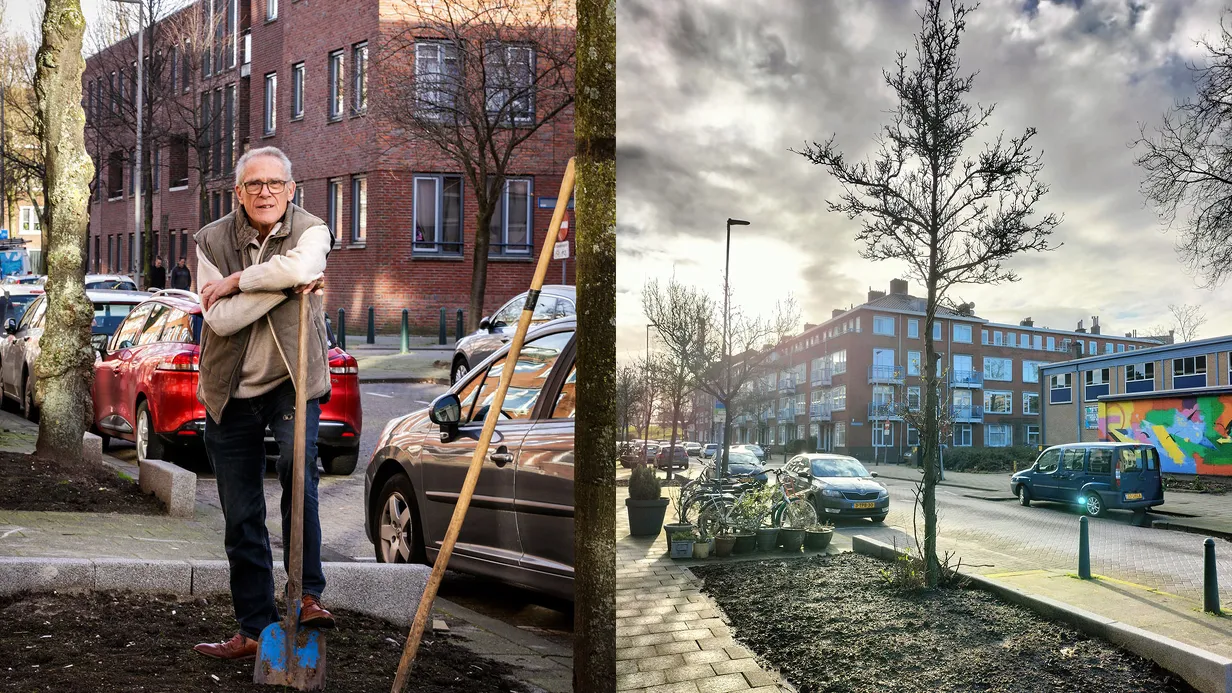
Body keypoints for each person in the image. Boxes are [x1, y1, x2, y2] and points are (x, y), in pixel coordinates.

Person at [191, 146, 335, 660]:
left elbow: (308, 261)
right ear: (238, 193)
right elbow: (220, 319)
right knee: (241, 514)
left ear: (291, 189)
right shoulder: (210, 240)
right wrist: (288, 284)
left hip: (292, 382)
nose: (265, 192)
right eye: (254, 185)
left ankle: (308, 596)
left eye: (275, 183)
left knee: (300, 476)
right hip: (228, 390)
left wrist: (239, 283)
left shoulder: (313, 229)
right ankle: (255, 630)